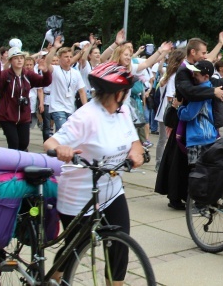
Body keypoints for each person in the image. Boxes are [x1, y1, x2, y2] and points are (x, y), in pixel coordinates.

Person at [44, 62, 145, 284]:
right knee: (73, 253)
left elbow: (134, 142)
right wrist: (62, 149)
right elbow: (50, 143)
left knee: (119, 248)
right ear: (119, 93)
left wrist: (136, 153)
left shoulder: (123, 111)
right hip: (79, 196)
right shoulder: (86, 116)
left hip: (111, 191)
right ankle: (51, 277)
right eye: (126, 92)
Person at [156, 36, 223, 210]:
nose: (205, 55)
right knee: (180, 164)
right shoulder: (184, 71)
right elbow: (189, 91)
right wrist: (211, 92)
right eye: (203, 52)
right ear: (193, 52)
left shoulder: (196, 69)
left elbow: (213, 81)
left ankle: (189, 197)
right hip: (185, 125)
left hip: (193, 126)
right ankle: (178, 197)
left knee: (191, 164)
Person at [0, 47, 52, 151]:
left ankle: (21, 165)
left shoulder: (28, 74)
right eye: (16, 58)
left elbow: (45, 82)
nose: (19, 60)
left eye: (21, 58)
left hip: (24, 116)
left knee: (24, 143)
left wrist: (46, 71)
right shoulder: (6, 74)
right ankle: (12, 166)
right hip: (7, 116)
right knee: (14, 143)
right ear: (10, 60)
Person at [179, 60, 219, 166]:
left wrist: (179, 108)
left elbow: (189, 114)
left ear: (206, 76)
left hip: (198, 137)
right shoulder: (210, 87)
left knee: (196, 174)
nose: (193, 76)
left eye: (196, 74)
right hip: (209, 135)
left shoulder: (201, 92)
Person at [153, 49, 186, 172]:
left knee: (165, 139)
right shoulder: (173, 76)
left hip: (167, 113)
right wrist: (173, 113)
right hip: (166, 113)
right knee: (163, 139)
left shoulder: (172, 74)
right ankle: (159, 164)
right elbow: (170, 97)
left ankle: (163, 163)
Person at [45, 37, 87, 130]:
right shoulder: (55, 70)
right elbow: (47, 63)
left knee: (65, 134)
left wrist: (85, 107)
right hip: (57, 108)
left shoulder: (75, 73)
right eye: (66, 57)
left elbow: (82, 91)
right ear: (59, 58)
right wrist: (54, 48)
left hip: (70, 108)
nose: (69, 59)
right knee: (64, 130)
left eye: (70, 57)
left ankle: (54, 144)